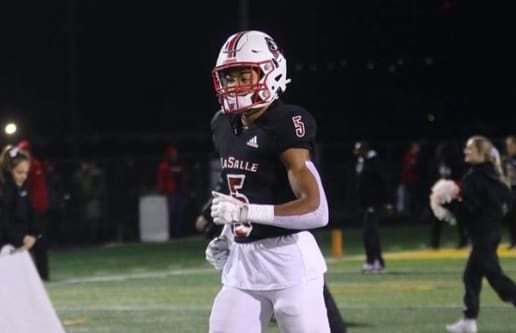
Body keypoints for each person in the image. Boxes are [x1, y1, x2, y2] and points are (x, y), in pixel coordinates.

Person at [205, 30, 331, 333]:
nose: (234, 85)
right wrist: (228, 233)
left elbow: (316, 210)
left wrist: (247, 214)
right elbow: (241, 193)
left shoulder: (285, 122)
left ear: (271, 72)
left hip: (290, 264)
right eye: (229, 77)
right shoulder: (222, 124)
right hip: (243, 265)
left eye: (243, 75)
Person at [432, 135, 516, 333]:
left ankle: (469, 320)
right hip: (491, 233)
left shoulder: (474, 177)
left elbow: (468, 211)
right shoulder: (492, 175)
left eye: (470, 149)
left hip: (482, 235)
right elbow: (505, 202)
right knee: (471, 277)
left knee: (496, 278)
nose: (466, 152)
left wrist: (447, 203)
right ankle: (469, 321)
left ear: (481, 153)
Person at [352, 141, 387, 273]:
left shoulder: (374, 162)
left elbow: (382, 183)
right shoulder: (362, 161)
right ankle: (372, 260)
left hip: (373, 204)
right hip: (366, 205)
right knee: (368, 234)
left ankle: (376, 261)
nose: (356, 153)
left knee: (371, 234)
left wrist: (384, 202)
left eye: (358, 150)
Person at [17, 140, 50, 280]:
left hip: (36, 208)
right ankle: (39, 273)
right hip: (34, 207)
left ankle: (41, 273)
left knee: (36, 241)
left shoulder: (32, 165)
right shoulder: (34, 164)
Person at [429, 141, 468, 249]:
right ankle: (435, 243)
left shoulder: (455, 163)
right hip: (441, 194)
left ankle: (463, 241)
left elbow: (459, 176)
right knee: (438, 217)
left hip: (453, 192)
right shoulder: (437, 163)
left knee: (460, 217)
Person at [0, 145, 38, 255]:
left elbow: (30, 212)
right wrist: (20, 237)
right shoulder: (4, 190)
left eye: (26, 172)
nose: (24, 176)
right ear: (8, 169)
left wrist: (33, 235)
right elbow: (4, 220)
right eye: (20, 172)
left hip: (18, 246)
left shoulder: (23, 188)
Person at [156, 145, 191, 238]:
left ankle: (179, 234)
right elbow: (161, 180)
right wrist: (162, 190)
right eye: (173, 154)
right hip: (170, 194)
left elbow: (185, 178)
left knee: (180, 215)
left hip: (180, 193)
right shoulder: (164, 166)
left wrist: (186, 191)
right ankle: (170, 234)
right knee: (171, 215)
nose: (175, 156)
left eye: (175, 154)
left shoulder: (180, 165)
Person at [502, 135, 516, 248]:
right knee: (510, 215)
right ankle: (513, 240)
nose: (509, 148)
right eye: (507, 146)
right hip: (510, 190)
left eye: (511, 146)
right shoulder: (506, 160)